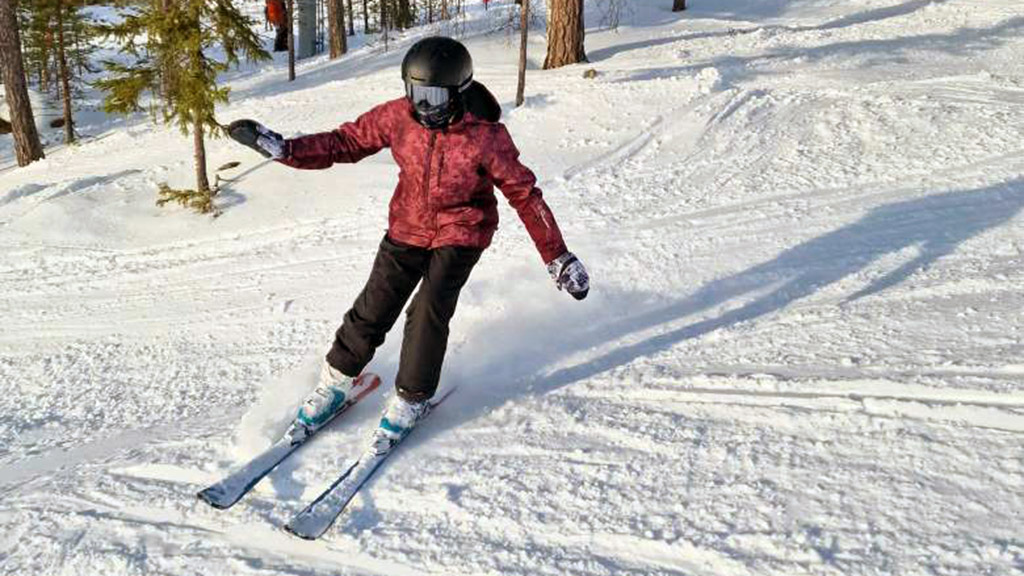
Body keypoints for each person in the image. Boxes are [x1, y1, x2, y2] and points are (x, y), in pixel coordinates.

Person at [227, 36, 590, 448]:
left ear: (458, 92)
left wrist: (557, 255)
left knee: (428, 307)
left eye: (434, 96)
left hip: (462, 230)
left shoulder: (486, 137)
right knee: (374, 305)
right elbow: (345, 142)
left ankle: (411, 398)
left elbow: (525, 194)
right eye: (416, 93)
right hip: (408, 227)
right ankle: (334, 383)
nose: (424, 106)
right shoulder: (399, 117)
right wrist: (286, 149)